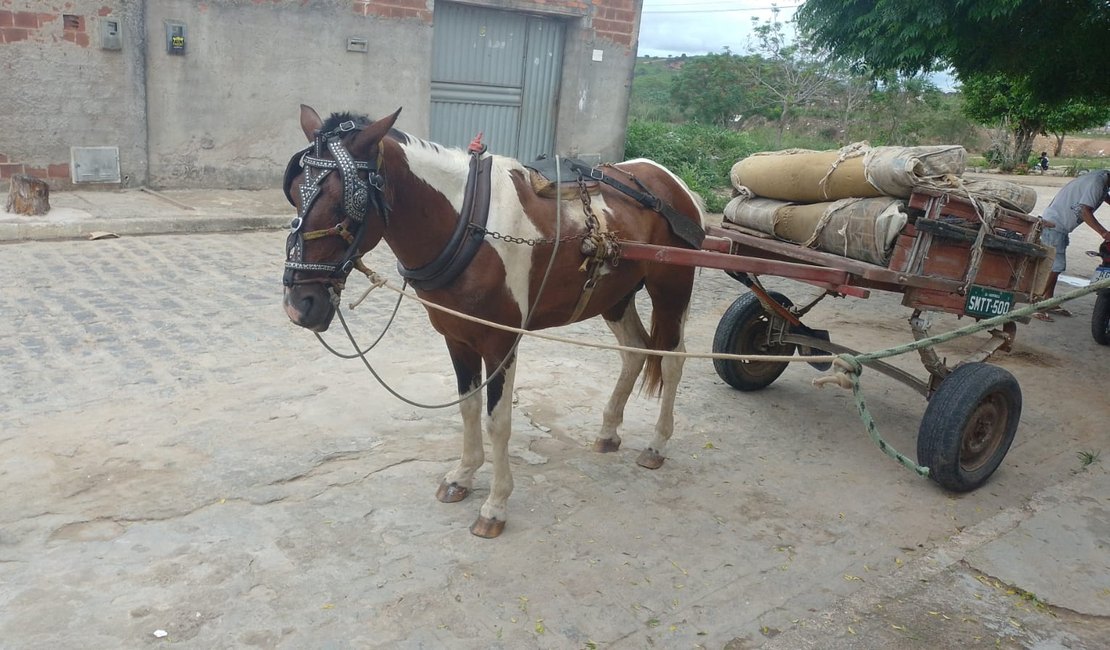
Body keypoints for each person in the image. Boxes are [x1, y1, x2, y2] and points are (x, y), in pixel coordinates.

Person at [1035, 169, 1110, 321]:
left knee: (1055, 266)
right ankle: (1037, 305)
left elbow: (1103, 197)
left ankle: (1048, 301)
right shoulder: (1097, 183)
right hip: (1055, 224)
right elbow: (1084, 211)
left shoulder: (1101, 180)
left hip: (1058, 225)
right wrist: (1104, 233)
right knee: (1056, 266)